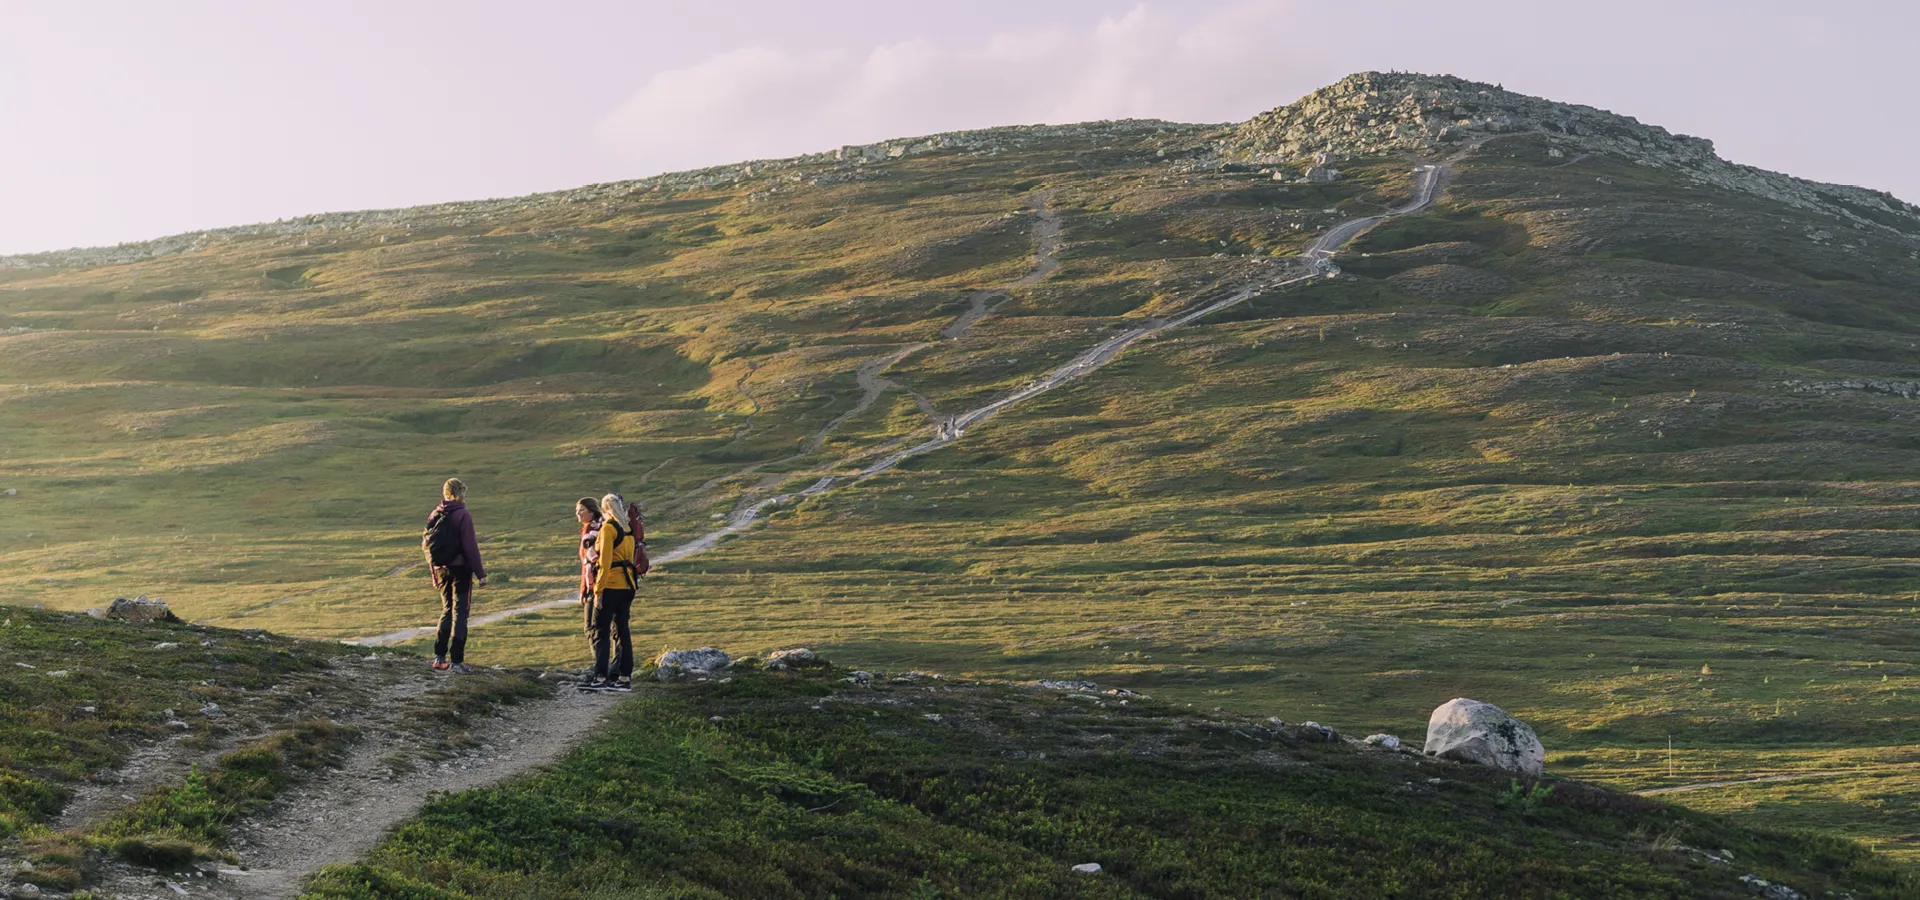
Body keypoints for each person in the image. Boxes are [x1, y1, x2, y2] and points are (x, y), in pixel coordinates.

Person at [427, 478, 486, 674]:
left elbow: (427, 547)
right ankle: (457, 661)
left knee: (446, 610)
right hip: (460, 570)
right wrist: (480, 573)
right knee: (460, 613)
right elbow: (470, 547)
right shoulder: (463, 515)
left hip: (440, 569)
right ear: (459, 494)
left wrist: (434, 574)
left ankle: (439, 657)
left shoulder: (435, 514)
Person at [583, 493, 641, 692]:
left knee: (601, 630)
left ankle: (601, 676)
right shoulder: (629, 529)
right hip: (628, 585)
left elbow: (605, 562)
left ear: (605, 509)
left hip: (611, 585)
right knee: (622, 630)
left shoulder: (608, 528)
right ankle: (624, 677)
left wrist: (598, 591)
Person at [574, 496, 601, 657]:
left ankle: (600, 667)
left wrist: (584, 590)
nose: (578, 514)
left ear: (591, 512)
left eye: (581, 510)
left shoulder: (590, 532)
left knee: (591, 627)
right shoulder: (600, 527)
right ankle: (608, 668)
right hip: (603, 583)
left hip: (594, 586)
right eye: (577, 511)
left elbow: (589, 565)